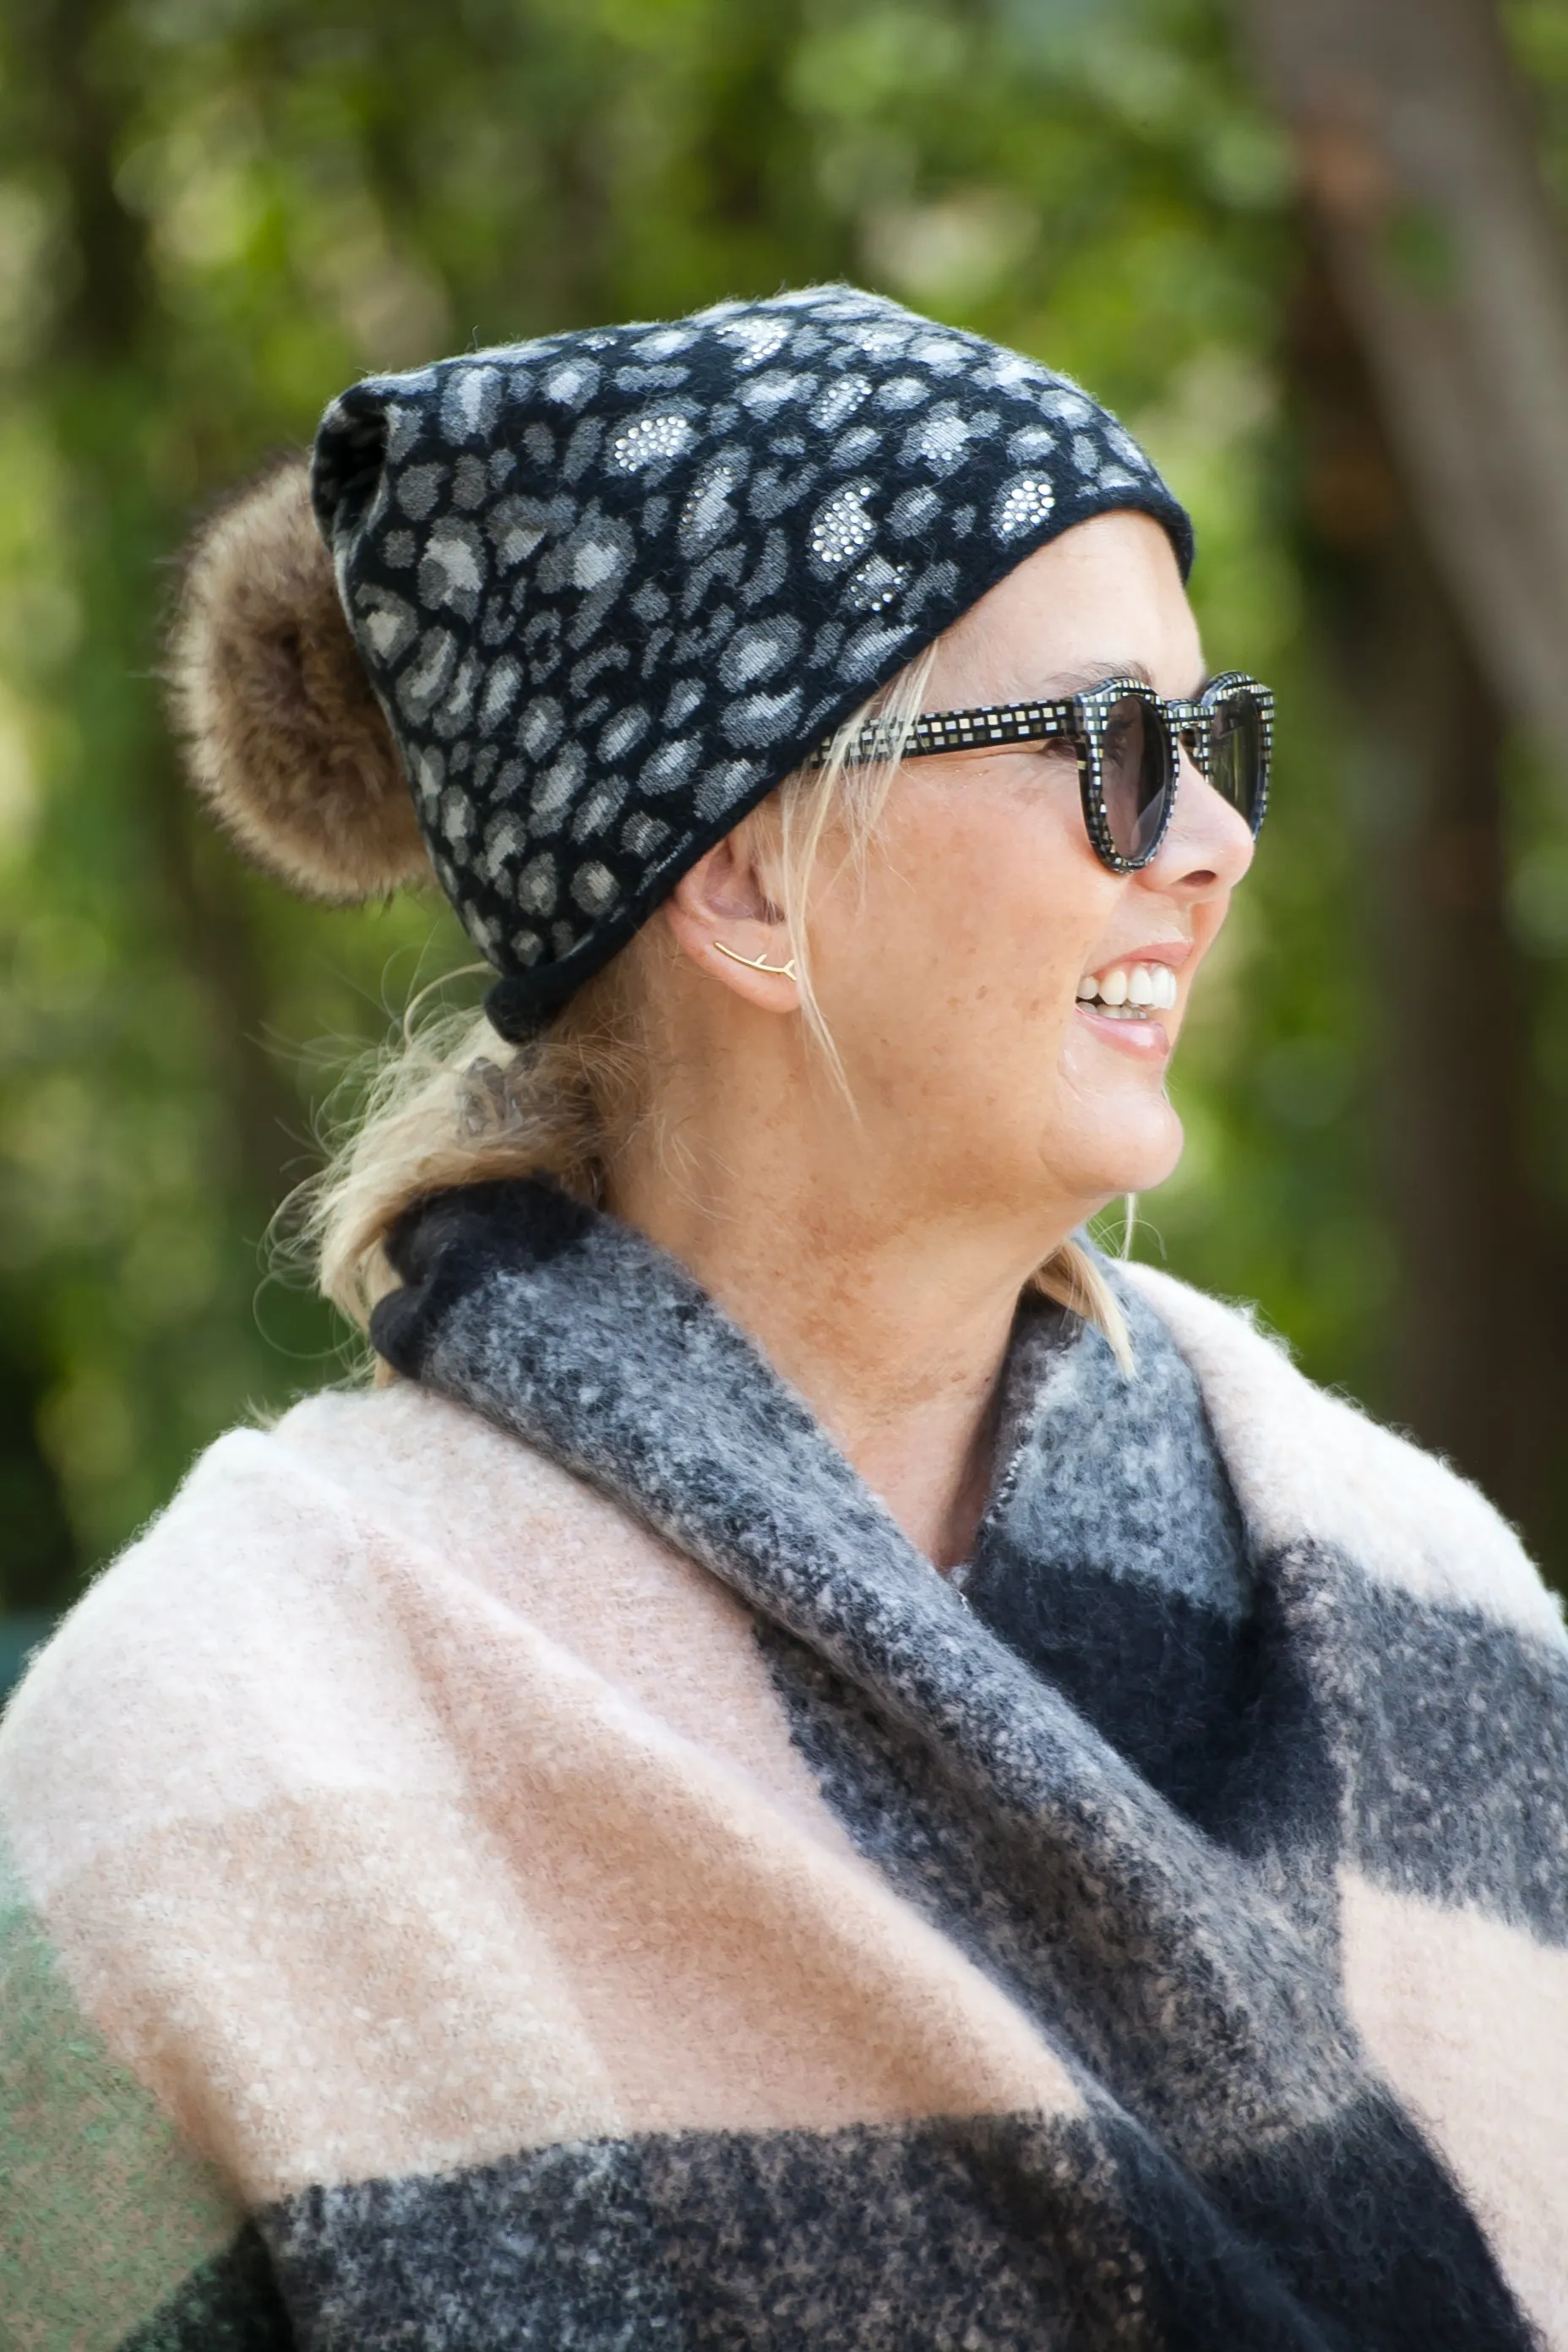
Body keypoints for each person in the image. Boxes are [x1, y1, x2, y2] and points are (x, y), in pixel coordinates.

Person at [2, 284, 1564, 2352]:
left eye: (1213, 742)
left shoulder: (1421, 1603)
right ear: (743, 881)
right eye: (1107, 749)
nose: (1208, 841)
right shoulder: (210, 1745)